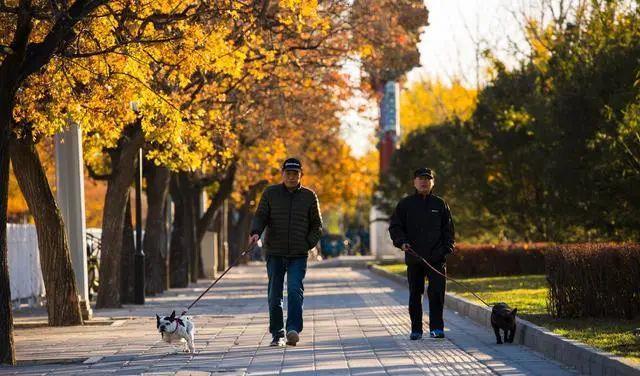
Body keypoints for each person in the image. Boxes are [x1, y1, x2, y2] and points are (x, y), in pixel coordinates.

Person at [249, 158, 323, 346]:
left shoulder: (309, 196)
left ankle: (293, 329)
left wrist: (307, 243)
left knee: (294, 290)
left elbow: (317, 225)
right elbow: (260, 216)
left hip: (298, 254)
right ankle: (277, 333)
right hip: (275, 252)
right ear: (282, 174)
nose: (291, 177)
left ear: (300, 175)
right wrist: (255, 233)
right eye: (288, 173)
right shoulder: (270, 193)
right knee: (274, 294)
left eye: (295, 174)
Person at [388, 167, 455, 340]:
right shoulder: (405, 204)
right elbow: (395, 227)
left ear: (433, 182)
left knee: (437, 294)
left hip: (436, 259)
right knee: (415, 295)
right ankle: (416, 329)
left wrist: (444, 250)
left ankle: (437, 328)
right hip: (414, 257)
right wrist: (402, 243)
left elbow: (449, 232)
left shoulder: (440, 204)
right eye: (420, 178)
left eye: (427, 178)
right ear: (414, 182)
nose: (424, 181)